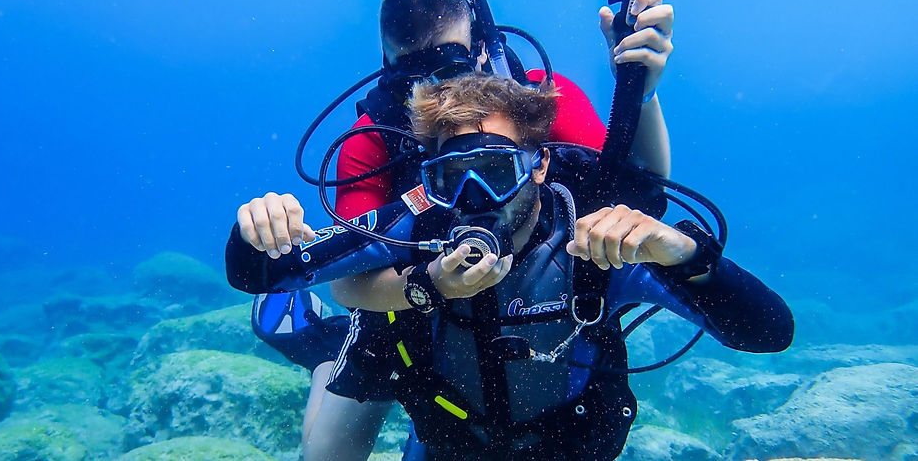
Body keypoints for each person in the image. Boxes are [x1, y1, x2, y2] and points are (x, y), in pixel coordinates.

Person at [235, 0, 676, 459]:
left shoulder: (539, 104)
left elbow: (640, 192)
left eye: (448, 73)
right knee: (326, 454)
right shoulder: (371, 139)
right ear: (387, 67)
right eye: (410, 81)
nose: (433, 98)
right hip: (408, 310)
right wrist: (430, 286)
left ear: (482, 50)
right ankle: (321, 352)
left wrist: (641, 92)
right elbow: (348, 286)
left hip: (534, 308)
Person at [237, 73, 793, 460]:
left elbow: (769, 332)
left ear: (541, 164)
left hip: (568, 451)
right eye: (453, 176)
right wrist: (256, 229)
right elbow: (259, 274)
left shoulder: (592, 248)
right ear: (429, 179)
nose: (475, 197)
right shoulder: (421, 223)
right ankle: (319, 347)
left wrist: (687, 255)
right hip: (448, 447)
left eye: (496, 171)